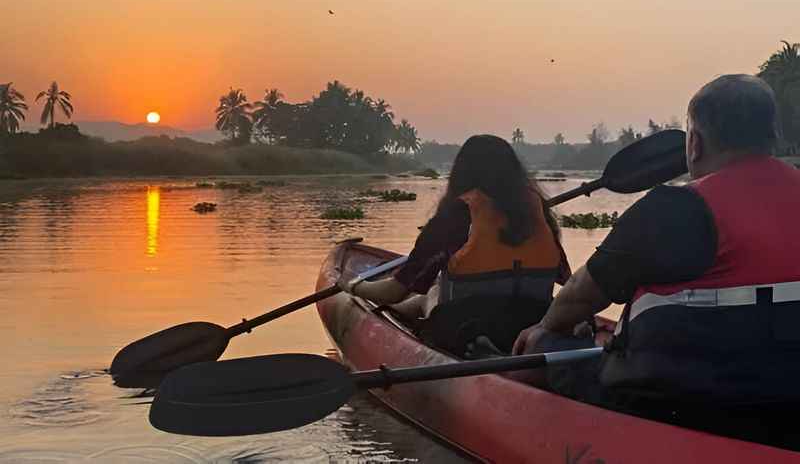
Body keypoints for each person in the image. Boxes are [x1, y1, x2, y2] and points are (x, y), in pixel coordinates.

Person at [513, 74, 800, 417]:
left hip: (685, 402)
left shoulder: (675, 207)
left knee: (546, 344)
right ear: (773, 136)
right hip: (787, 394)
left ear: (693, 143)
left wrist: (545, 329)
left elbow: (579, 295)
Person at [338, 134, 570, 354]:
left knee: (435, 292)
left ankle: (478, 346)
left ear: (461, 174)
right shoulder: (538, 215)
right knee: (433, 292)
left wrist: (354, 286)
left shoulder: (453, 217)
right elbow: (567, 281)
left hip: (470, 327)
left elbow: (395, 291)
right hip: (536, 325)